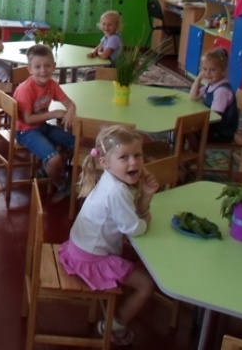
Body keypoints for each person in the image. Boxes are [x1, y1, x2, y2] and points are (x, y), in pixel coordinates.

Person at [58, 125, 158, 346]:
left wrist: (146, 196)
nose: (134, 162)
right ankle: (114, 326)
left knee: (140, 260)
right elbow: (134, 228)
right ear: (105, 162)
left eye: (138, 155)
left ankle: (117, 307)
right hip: (91, 260)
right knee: (146, 286)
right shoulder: (117, 190)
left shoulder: (113, 179)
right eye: (124, 157)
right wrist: (147, 218)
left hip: (80, 249)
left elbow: (132, 216)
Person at [14, 44, 76, 191]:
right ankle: (59, 184)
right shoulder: (25, 89)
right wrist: (54, 114)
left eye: (47, 66)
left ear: (54, 66)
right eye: (37, 67)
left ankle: (47, 166)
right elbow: (28, 120)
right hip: (25, 131)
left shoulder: (52, 84)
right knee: (55, 158)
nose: (43, 70)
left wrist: (69, 112)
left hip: (42, 126)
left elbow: (70, 104)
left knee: (76, 144)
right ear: (30, 69)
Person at [188, 47, 239, 148]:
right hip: (213, 127)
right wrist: (198, 79)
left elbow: (214, 116)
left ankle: (196, 153)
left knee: (187, 129)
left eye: (213, 70)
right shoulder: (211, 85)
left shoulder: (221, 91)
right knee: (185, 127)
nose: (207, 73)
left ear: (223, 71)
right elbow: (193, 97)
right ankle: (189, 152)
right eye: (204, 69)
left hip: (221, 133)